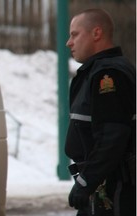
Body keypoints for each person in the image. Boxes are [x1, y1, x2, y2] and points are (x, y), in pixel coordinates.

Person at [65, 8, 136, 216]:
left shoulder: (109, 75)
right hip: (100, 185)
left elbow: (111, 136)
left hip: (112, 187)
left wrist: (86, 181)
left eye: (75, 34)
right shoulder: (96, 71)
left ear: (97, 33)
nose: (69, 42)